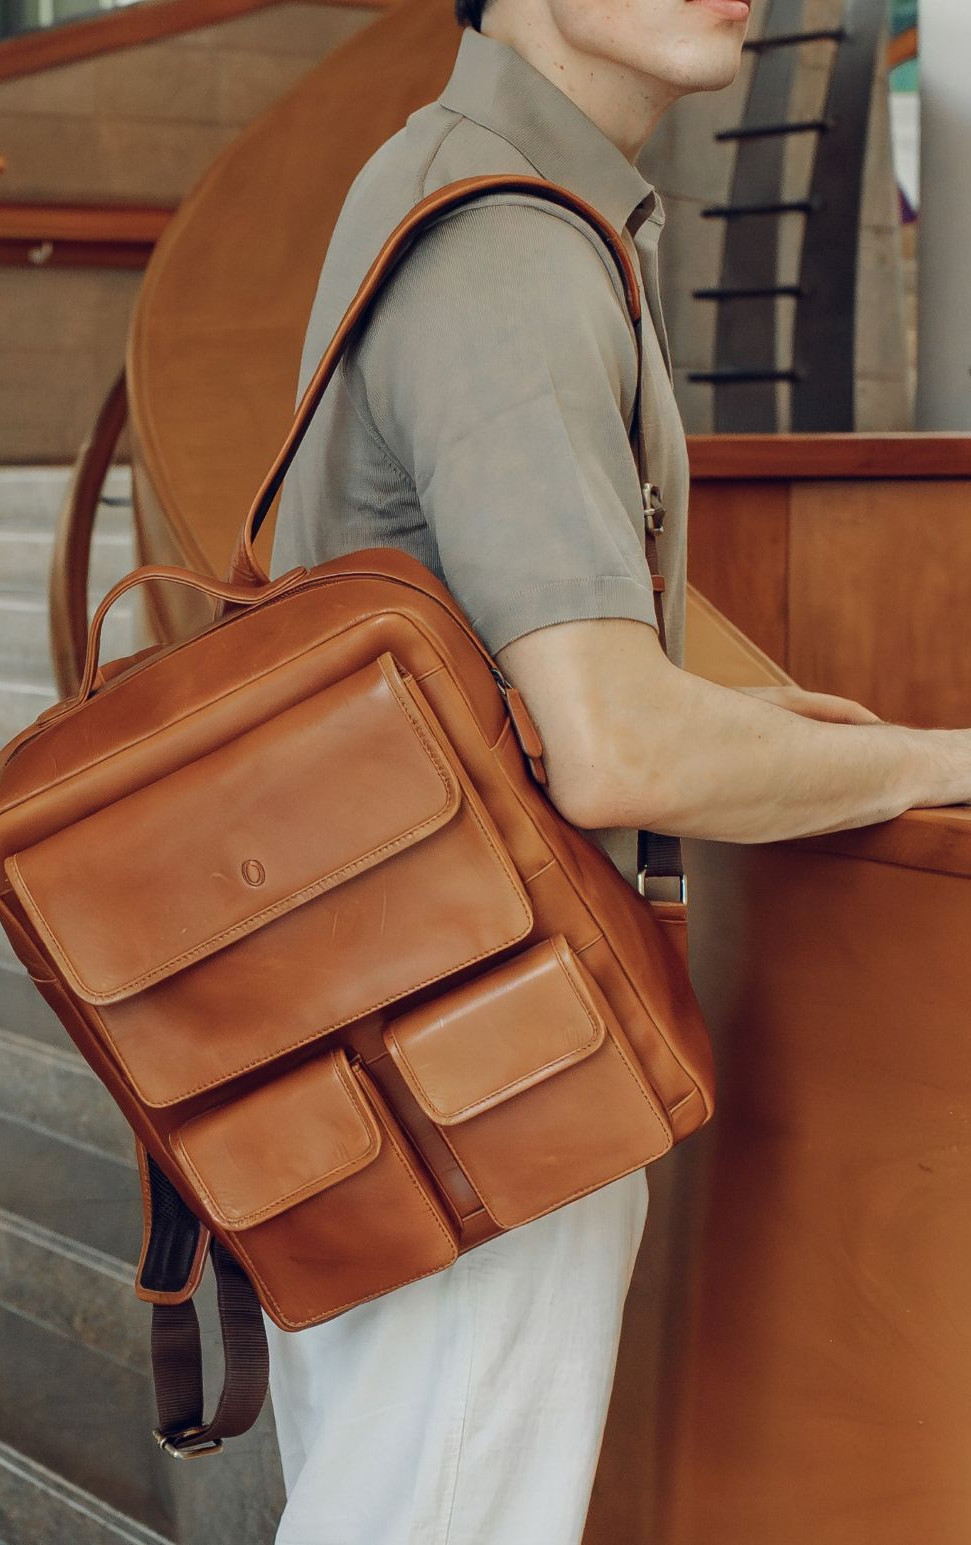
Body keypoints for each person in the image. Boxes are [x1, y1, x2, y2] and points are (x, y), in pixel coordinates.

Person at [265, 1, 971, 1540]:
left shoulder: (456, 182)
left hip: (384, 1052)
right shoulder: (504, 244)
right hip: (482, 1077)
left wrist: (789, 739)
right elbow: (611, 741)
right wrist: (943, 755)